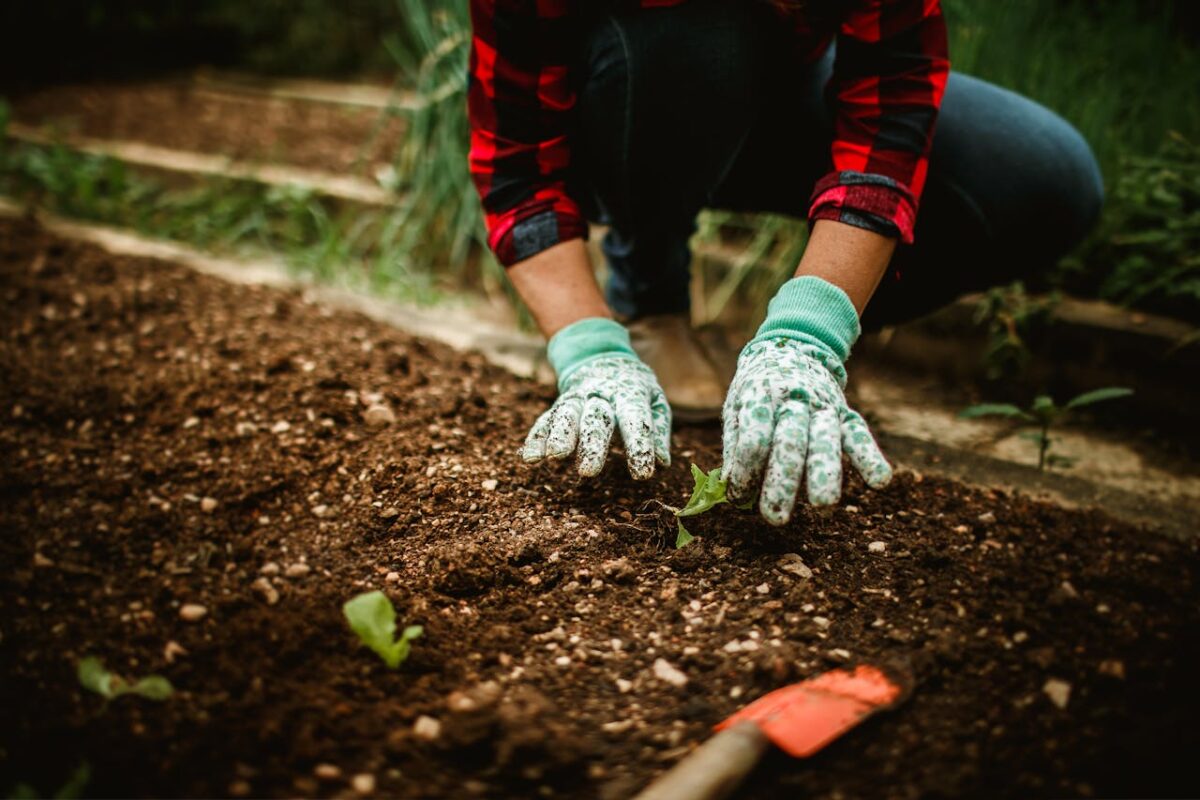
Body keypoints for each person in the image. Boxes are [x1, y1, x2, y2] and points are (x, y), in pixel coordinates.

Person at [466, 0, 1103, 525]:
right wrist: (589, 352)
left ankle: (787, 346)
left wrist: (806, 333)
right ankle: (648, 295)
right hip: (626, 93)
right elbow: (517, 168)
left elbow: (888, 109)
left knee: (1045, 175)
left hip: (791, 79)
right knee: (693, 37)